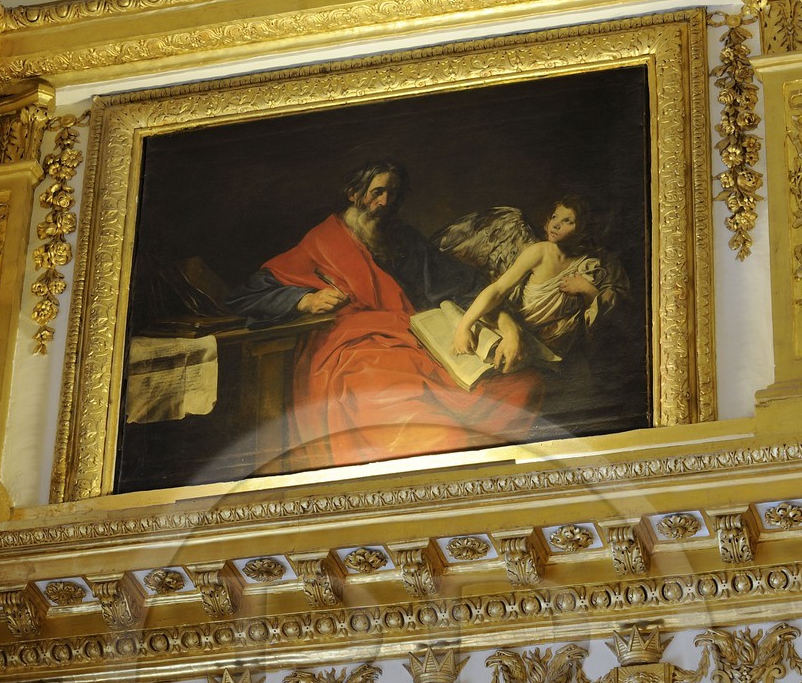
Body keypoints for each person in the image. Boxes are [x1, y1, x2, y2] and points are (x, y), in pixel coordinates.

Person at [225, 160, 541, 468]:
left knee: (518, 387)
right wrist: (305, 300)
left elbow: (464, 284)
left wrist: (508, 327)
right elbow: (246, 295)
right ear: (354, 193)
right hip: (351, 352)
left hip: (418, 339)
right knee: (430, 429)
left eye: (393, 194)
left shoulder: (403, 238)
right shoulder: (322, 241)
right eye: (377, 192)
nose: (385, 202)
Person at [452, 195, 628, 360]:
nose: (556, 225)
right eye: (555, 217)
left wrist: (586, 289)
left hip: (556, 348)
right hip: (525, 331)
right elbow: (498, 290)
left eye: (567, 221)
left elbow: (607, 319)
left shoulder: (589, 265)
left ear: (582, 229)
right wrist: (463, 327)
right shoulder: (540, 252)